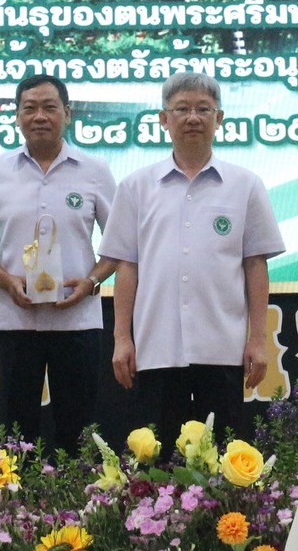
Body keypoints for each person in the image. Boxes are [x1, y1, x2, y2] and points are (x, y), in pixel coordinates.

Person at [102, 72, 283, 447]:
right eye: (181, 109)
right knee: (160, 459)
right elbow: (126, 267)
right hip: (156, 348)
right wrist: (122, 338)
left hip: (223, 347)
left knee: (224, 458)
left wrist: (259, 340)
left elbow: (255, 266)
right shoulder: (136, 187)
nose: (193, 118)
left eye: (204, 109)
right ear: (163, 119)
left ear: (219, 119)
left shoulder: (245, 185)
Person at [0, 75, 116, 451]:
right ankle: (15, 507)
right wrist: (6, 280)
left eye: (50, 107)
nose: (40, 116)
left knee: (77, 428)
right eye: (29, 108)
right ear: (16, 116)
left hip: (77, 319)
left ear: (68, 114)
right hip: (16, 319)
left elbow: (120, 246)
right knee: (14, 430)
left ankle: (77, 505)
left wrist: (91, 282)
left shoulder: (95, 170)